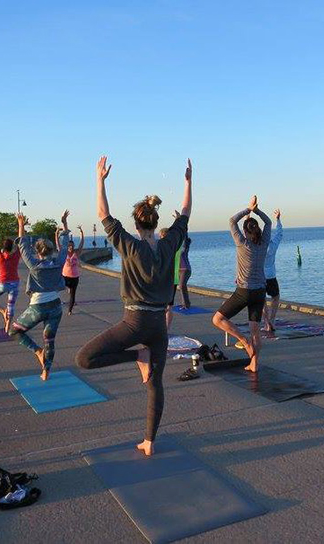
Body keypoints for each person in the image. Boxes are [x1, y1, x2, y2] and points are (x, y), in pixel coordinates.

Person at [76, 157, 192, 457]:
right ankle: (150, 442)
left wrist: (100, 178)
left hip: (134, 323)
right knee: (155, 384)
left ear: (137, 223)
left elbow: (103, 213)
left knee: (84, 359)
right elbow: (186, 214)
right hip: (159, 327)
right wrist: (188, 182)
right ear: (155, 222)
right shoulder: (169, 245)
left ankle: (136, 356)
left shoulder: (130, 245)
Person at [212, 196, 271, 372]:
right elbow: (268, 223)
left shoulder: (242, 243)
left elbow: (232, 221)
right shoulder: (264, 242)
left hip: (244, 291)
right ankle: (254, 364)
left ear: (245, 232)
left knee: (218, 319)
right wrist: (256, 211)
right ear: (258, 230)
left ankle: (244, 341)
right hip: (260, 291)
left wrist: (248, 209)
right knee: (255, 330)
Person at [9, 210, 70, 381]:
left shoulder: (34, 265)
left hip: (38, 308)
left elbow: (23, 246)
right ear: (51, 251)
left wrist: (21, 224)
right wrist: (64, 224)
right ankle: (46, 371)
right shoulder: (58, 262)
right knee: (49, 340)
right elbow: (64, 245)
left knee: (14, 331)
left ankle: (37, 351)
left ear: (38, 252)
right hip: (56, 307)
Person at [159, 221, 182, 330]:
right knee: (168, 307)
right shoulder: (177, 246)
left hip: (166, 279)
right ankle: (165, 329)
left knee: (165, 307)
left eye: (161, 236)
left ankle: (164, 329)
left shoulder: (164, 247)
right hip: (172, 279)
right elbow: (179, 232)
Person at [263, 209, 283, 332]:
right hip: (270, 276)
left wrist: (246, 219)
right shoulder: (272, 244)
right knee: (275, 297)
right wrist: (278, 219)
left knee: (262, 300)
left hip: (259, 276)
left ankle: (266, 322)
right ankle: (272, 320)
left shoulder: (258, 245)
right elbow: (279, 233)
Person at [61, 225, 85, 315]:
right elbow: (58, 245)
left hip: (75, 277)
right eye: (69, 246)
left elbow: (82, 243)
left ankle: (70, 310)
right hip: (65, 276)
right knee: (59, 288)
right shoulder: (64, 253)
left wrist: (81, 233)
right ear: (67, 246)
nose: (71, 247)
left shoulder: (77, 253)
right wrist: (56, 234)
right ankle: (68, 288)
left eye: (72, 245)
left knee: (73, 294)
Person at [178, 235, 192, 309]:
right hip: (180, 269)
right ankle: (185, 303)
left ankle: (186, 305)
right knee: (181, 286)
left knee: (182, 286)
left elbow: (181, 250)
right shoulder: (180, 246)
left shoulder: (184, 247)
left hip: (185, 269)